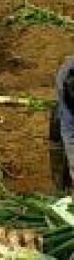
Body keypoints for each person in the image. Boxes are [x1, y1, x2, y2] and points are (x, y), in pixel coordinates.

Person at [49, 55, 74, 194]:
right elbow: (69, 134)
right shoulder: (65, 79)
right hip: (65, 113)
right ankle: (60, 191)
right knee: (58, 144)